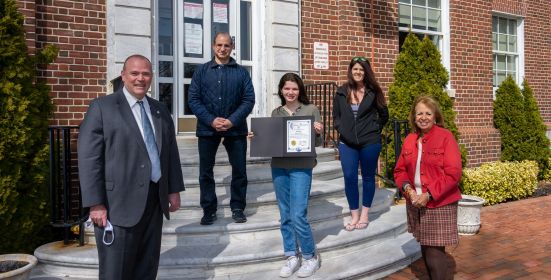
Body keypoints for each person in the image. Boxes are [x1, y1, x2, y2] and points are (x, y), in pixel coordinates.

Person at [78, 54, 185, 280]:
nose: (140, 79)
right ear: (123, 76)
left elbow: (170, 153)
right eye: (134, 73)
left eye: (146, 74)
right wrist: (95, 203)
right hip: (117, 205)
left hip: (154, 200)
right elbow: (89, 160)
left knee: (147, 268)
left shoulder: (160, 110)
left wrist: (173, 190)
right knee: (116, 272)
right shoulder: (102, 108)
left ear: (152, 77)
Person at [249, 73, 323, 278]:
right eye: (287, 88)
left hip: (302, 167)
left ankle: (310, 256)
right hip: (279, 166)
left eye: (295, 89)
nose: (290, 92)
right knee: (285, 214)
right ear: (281, 90)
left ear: (300, 90)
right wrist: (257, 138)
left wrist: (318, 132)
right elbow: (273, 141)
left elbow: (316, 143)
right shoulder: (276, 112)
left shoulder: (311, 110)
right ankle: (291, 255)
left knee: (298, 214)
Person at [188, 32, 255, 225]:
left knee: (240, 171)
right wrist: (211, 120)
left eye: (226, 45)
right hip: (207, 130)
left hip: (236, 130)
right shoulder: (201, 71)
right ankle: (209, 209)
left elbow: (248, 99)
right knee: (206, 172)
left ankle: (237, 207)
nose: (222, 49)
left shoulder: (242, 72)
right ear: (213, 46)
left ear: (232, 47)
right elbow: (193, 99)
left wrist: (233, 120)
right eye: (219, 45)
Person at [394, 96, 462, 280]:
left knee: (435, 254)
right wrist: (408, 190)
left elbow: (453, 173)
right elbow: (399, 170)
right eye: (419, 113)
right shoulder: (410, 139)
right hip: (415, 202)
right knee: (425, 246)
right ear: (414, 117)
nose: (423, 117)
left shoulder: (445, 137)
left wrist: (429, 194)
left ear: (435, 116)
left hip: (438, 203)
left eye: (428, 113)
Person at [333, 56, 389, 231]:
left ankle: (365, 214)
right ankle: (354, 214)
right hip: (347, 143)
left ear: (366, 72)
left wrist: (374, 129)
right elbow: (336, 116)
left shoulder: (373, 92)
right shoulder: (341, 91)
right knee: (349, 177)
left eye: (362, 69)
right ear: (350, 71)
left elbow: (384, 115)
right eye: (355, 69)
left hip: (369, 142)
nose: (358, 72)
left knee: (367, 177)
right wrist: (342, 129)